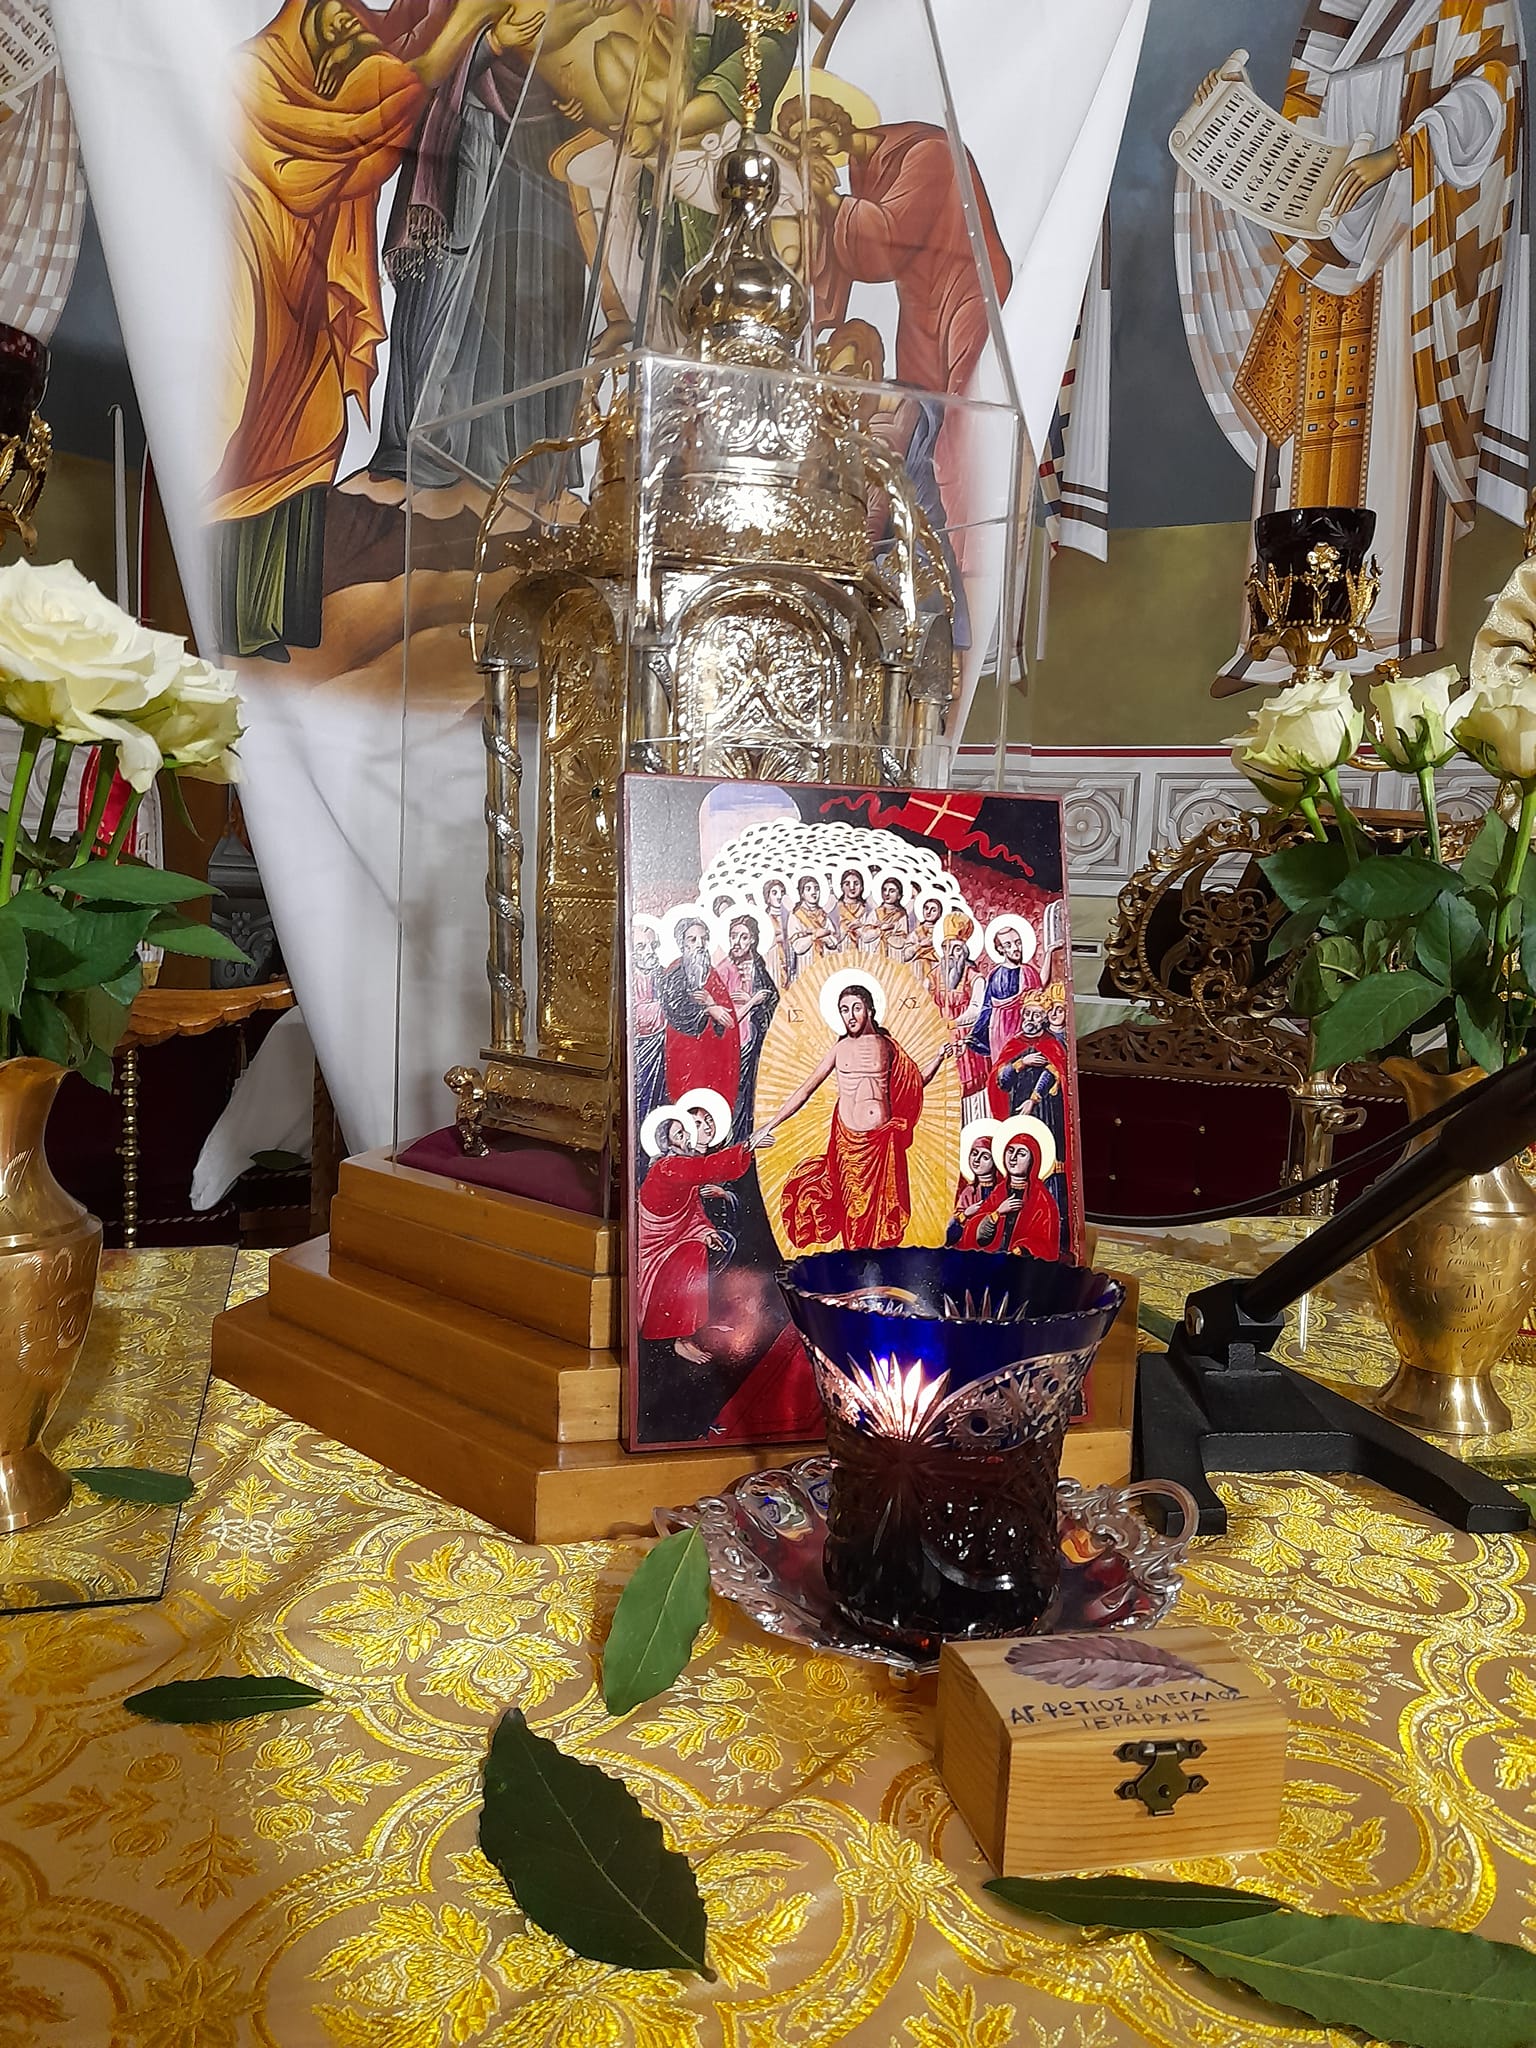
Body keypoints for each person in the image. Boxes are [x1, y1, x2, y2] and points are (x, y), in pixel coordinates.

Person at [1177, 1, 1528, 685]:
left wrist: (1397, 157)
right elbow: (1303, 127)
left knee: (1388, 430)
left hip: (1407, 239)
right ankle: (1278, 638)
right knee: (1302, 436)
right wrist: (1232, 116)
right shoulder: (1332, 8)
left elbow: (1493, 90)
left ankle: (1382, 626)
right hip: (1322, 237)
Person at [212, 0, 511, 660]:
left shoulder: (334, 73)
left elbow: (374, 130)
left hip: (308, 295)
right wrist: (463, 29)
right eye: (337, 17)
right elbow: (322, 157)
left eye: (354, 20)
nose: (349, 27)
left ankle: (282, 617)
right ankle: (238, 619)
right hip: (260, 291)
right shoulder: (255, 72)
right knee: (252, 441)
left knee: (314, 430)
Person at [370, 0, 592, 489]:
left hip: (541, 149)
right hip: (470, 133)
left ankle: (523, 454)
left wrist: (577, 97)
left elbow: (579, 50)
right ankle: (423, 442)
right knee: (451, 282)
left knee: (531, 292)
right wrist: (490, 45)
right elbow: (414, 63)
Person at [779, 93, 1013, 519]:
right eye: (803, 145)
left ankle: (970, 518)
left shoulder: (927, 152)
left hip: (963, 291)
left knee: (963, 409)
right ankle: (928, 516)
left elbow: (888, 243)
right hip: (921, 299)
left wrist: (831, 201)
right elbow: (854, 254)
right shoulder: (863, 169)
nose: (814, 148)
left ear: (838, 123)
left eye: (814, 135)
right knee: (925, 407)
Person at [752, 981, 954, 1251]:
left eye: (856, 1008)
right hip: (848, 1147)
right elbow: (806, 1089)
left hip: (882, 1146)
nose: (850, 1015)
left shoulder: (887, 1046)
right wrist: (770, 1124)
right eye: (844, 1010)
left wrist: (939, 1058)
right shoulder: (840, 1049)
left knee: (883, 1220)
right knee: (853, 1215)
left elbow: (914, 1083)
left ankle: (878, 1271)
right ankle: (855, 1271)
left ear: (869, 1009)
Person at [635, 1112, 755, 1363]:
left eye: (686, 1131)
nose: (687, 1136)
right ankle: (680, 1339)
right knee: (691, 1254)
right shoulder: (668, 1167)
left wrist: (706, 1232)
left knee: (705, 1249)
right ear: (666, 1143)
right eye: (680, 1134)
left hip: (676, 1238)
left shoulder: (682, 1164)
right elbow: (706, 1169)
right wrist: (747, 1146)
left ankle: (689, 1332)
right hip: (656, 1245)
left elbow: (694, 1211)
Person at [660, 914, 740, 1106]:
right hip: (684, 1052)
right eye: (693, 939)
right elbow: (675, 1010)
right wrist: (709, 1010)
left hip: (712, 1054)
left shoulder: (711, 974)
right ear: (682, 944)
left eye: (703, 939)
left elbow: (728, 1018)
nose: (700, 944)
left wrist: (712, 1004)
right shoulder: (674, 972)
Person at [716, 912, 778, 1142]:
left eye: (743, 937)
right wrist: (752, 1001)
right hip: (731, 1044)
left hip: (753, 1041)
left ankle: (747, 1141)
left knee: (751, 1094)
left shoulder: (759, 967)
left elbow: (773, 1000)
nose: (737, 942)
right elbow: (721, 1016)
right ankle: (733, 1143)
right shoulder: (723, 969)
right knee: (735, 1095)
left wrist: (759, 1001)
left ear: (752, 939)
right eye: (734, 936)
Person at [954, 1125, 1058, 1260]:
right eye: (1010, 1151)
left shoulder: (1041, 1197)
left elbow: (1045, 1242)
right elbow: (975, 1233)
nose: (1013, 1158)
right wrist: (997, 1214)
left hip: (1020, 1266)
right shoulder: (999, 1191)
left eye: (1021, 1154)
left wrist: (1021, 1249)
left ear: (1033, 1160)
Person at [931, 912, 988, 1121]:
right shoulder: (934, 975)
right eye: (946, 948)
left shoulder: (975, 977)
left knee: (970, 1094)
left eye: (956, 948)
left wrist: (954, 1023)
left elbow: (976, 1010)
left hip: (966, 1044)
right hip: (941, 1040)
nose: (951, 954)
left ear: (964, 951)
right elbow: (921, 997)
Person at [971, 918, 1043, 1067]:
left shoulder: (1029, 972)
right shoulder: (994, 974)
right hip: (999, 1029)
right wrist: (977, 1033)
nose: (1015, 948)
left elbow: (1039, 1000)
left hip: (1023, 1027)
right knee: (1002, 1067)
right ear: (1000, 949)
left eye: (1018, 942)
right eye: (1008, 945)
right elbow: (987, 1006)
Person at [631, 917, 667, 1137]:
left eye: (653, 945)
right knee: (640, 1098)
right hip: (640, 1049)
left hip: (663, 1047)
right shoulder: (628, 979)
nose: (649, 952)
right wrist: (662, 1007)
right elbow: (635, 1016)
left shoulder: (662, 974)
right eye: (642, 947)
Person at [945, 1125, 1000, 1244]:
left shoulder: (1001, 1191)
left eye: (985, 1157)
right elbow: (950, 1236)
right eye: (974, 1153)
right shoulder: (968, 1192)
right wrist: (965, 1214)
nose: (976, 1160)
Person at [790, 874, 837, 966]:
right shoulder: (796, 915)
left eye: (816, 889)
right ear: (802, 894)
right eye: (808, 889)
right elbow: (797, 948)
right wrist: (814, 936)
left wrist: (825, 937)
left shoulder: (823, 915)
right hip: (806, 962)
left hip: (825, 962)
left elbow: (834, 942)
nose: (814, 892)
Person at [905, 894, 945, 986]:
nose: (929, 912)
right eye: (926, 908)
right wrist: (919, 945)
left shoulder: (941, 932)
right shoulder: (916, 932)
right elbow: (905, 955)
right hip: (917, 968)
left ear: (939, 913)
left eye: (933, 910)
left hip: (936, 967)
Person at [872, 875, 914, 960]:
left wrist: (889, 935)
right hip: (876, 950)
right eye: (884, 890)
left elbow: (903, 938)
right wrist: (879, 930)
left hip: (894, 953)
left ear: (899, 896)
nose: (887, 894)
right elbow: (865, 935)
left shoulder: (901, 914)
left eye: (892, 891)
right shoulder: (876, 912)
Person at [761, 876, 794, 987]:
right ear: (767, 898)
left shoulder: (791, 916)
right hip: (773, 961)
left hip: (791, 959)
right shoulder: (764, 920)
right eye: (774, 893)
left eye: (782, 893)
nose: (779, 897)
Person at [834, 868, 877, 952]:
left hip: (863, 952)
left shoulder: (868, 910)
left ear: (862, 887)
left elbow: (871, 934)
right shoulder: (835, 910)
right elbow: (832, 937)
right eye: (847, 884)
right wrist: (847, 929)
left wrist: (862, 929)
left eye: (856, 884)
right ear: (842, 887)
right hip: (840, 953)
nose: (852, 887)